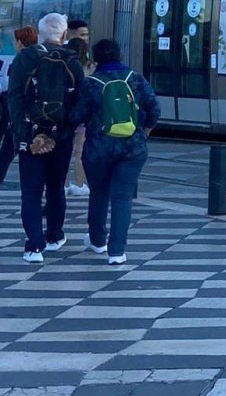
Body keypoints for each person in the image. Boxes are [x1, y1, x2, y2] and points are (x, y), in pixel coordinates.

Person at [69, 38, 159, 266]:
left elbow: (76, 116)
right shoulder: (135, 78)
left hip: (98, 150)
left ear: (96, 58)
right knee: (122, 197)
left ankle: (98, 240)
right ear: (119, 55)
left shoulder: (92, 83)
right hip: (132, 148)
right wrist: (144, 129)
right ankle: (117, 251)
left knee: (99, 194)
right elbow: (154, 108)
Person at [7, 14, 86, 262]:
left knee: (30, 192)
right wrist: (60, 134)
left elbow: (15, 100)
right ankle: (54, 236)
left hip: (29, 136)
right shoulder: (72, 62)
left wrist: (25, 135)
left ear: (40, 35)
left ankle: (33, 246)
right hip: (60, 138)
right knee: (55, 189)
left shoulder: (24, 59)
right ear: (64, 35)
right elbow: (78, 106)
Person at [0, 26, 38, 185]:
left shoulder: (19, 61)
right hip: (36, 115)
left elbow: (11, 89)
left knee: (6, 153)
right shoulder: (42, 58)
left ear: (20, 43)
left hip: (17, 115)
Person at [65, 36, 92, 197]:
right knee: (80, 152)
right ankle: (80, 184)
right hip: (82, 114)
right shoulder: (88, 68)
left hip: (67, 113)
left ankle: (64, 183)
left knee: (65, 151)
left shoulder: (65, 65)